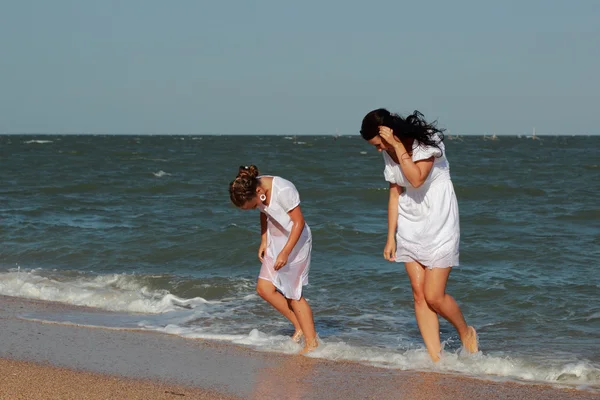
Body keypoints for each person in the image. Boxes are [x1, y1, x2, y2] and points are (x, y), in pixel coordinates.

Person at [360, 109, 478, 361]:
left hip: (439, 219)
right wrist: (390, 236)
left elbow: (415, 179)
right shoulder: (389, 152)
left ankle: (465, 331)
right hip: (410, 221)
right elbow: (395, 192)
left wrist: (394, 144)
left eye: (378, 143)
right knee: (418, 292)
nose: (379, 150)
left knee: (434, 295)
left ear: (388, 132)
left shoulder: (428, 141)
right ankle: (436, 359)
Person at [229, 165, 318, 354]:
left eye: (252, 205)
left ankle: (312, 344)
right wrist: (264, 239)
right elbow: (264, 212)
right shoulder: (254, 187)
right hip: (275, 241)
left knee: (294, 294)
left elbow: (299, 222)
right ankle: (299, 325)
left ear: (259, 192)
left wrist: (285, 253)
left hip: (296, 243)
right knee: (264, 289)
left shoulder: (284, 190)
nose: (255, 208)